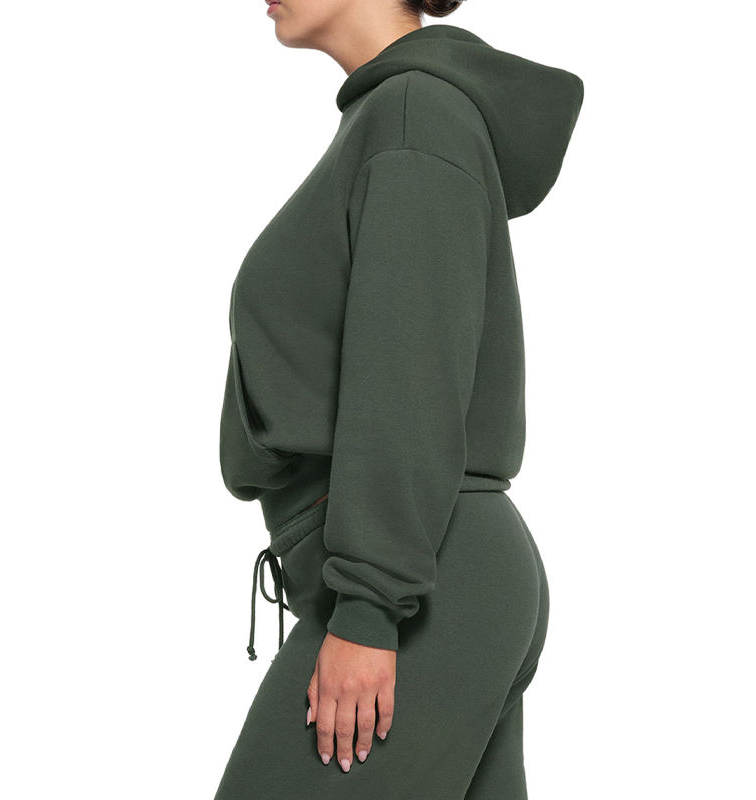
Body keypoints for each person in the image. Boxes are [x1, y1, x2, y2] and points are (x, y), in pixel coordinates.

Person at [213, 0, 583, 796]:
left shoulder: (417, 115)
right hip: (434, 570)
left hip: (421, 581)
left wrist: (369, 610)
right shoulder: (393, 116)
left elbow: (410, 375)